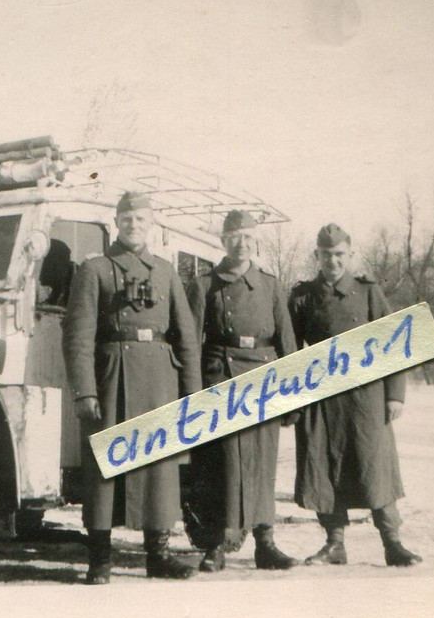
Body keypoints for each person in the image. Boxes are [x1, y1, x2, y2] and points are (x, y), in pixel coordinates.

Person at [63, 191, 202, 584]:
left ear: (150, 224)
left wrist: (192, 393)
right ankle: (100, 559)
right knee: (105, 469)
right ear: (116, 223)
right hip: (112, 378)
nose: (133, 225)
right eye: (127, 219)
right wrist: (85, 390)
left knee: (159, 470)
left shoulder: (166, 272)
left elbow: (186, 338)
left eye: (141, 219)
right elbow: (77, 337)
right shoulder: (95, 269)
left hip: (160, 379)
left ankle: (158, 555)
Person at [287, 223, 423, 567]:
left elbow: (395, 343)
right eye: (326, 255)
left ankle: (392, 543)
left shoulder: (368, 292)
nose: (332, 261)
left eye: (339, 255)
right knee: (323, 467)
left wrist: (395, 395)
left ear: (350, 255)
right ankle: (335, 544)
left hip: (365, 399)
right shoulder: (303, 297)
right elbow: (288, 350)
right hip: (321, 401)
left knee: (374, 466)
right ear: (316, 256)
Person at [185, 209, 300, 572]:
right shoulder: (204, 285)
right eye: (235, 237)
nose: (242, 244)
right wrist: (192, 393)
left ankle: (265, 543)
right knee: (221, 467)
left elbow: (287, 342)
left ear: (256, 241)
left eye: (248, 237)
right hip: (221, 378)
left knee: (262, 465)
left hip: (264, 381)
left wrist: (293, 397)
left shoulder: (270, 285)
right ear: (223, 241)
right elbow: (190, 343)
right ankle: (215, 544)